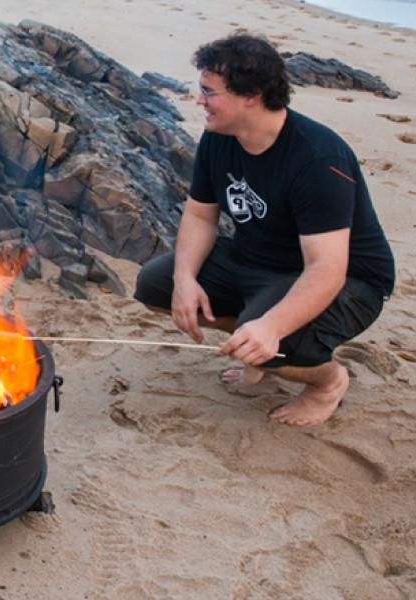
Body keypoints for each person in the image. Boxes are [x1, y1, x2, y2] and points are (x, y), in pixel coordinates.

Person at [132, 33, 396, 427]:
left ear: (251, 94)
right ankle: (253, 336)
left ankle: (327, 381)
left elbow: (326, 268)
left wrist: (270, 326)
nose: (199, 100)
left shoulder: (318, 158)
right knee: (157, 285)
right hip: (255, 259)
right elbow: (201, 216)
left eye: (209, 91)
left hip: (347, 281)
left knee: (276, 344)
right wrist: (185, 279)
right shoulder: (220, 139)